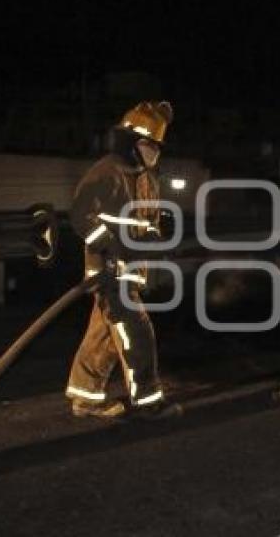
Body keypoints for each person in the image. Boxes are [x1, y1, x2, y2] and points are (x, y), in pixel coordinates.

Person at [65, 101, 178, 419]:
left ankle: (85, 396)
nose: (153, 152)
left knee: (105, 334)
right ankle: (148, 401)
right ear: (131, 143)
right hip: (110, 269)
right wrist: (110, 248)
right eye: (147, 144)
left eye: (156, 146)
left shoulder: (144, 178)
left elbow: (145, 225)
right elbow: (80, 215)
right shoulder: (108, 171)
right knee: (136, 331)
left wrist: (158, 242)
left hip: (131, 269)